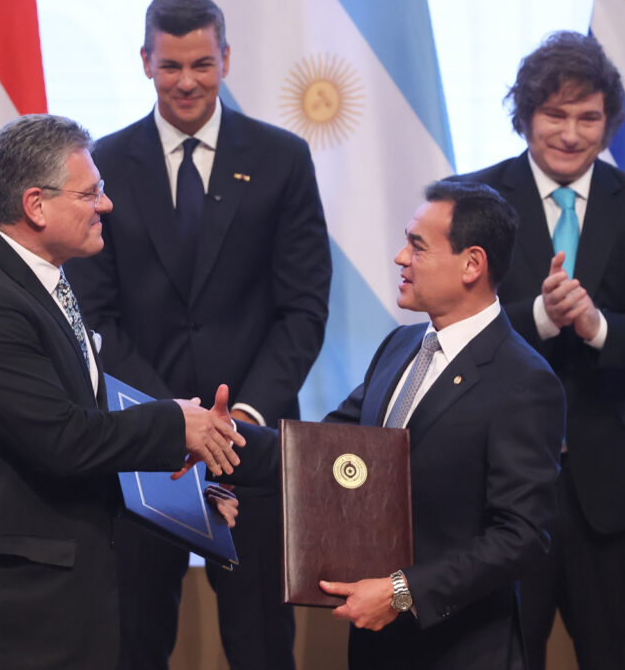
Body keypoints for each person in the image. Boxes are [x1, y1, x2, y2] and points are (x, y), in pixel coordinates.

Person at [0, 113, 246, 670]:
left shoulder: (32, 280)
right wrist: (175, 424)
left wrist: (187, 498)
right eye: (90, 193)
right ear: (36, 205)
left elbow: (82, 424)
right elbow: (63, 439)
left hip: (35, 612)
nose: (107, 205)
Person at [64, 0, 331, 669]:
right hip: (141, 446)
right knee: (133, 641)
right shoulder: (102, 165)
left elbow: (303, 309)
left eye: (202, 65)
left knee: (262, 644)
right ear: (145, 61)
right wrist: (173, 422)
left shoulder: (282, 159)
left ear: (226, 59)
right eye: (171, 65)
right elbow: (97, 318)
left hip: (252, 448)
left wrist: (238, 422)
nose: (186, 81)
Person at [228, 180, 563, 669]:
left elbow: (521, 537)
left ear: (472, 264)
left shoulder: (524, 380)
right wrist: (218, 439)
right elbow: (316, 453)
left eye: (418, 246)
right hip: (377, 646)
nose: (400, 257)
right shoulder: (400, 347)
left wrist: (402, 592)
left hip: (462, 650)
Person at [454, 32, 625, 670]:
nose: (570, 133)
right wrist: (541, 317)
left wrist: (595, 325)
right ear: (525, 115)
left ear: (608, 121)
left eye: (587, 117)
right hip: (497, 491)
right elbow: (448, 332)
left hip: (617, 493)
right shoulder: (469, 202)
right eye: (554, 114)